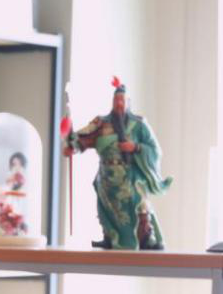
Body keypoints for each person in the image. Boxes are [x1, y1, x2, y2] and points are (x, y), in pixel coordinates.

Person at [64, 79, 172, 249]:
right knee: (105, 208)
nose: (119, 104)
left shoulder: (138, 124)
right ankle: (110, 237)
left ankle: (146, 238)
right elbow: (84, 138)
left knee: (140, 205)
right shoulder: (101, 122)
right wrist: (73, 147)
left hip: (131, 175)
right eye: (116, 100)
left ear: (128, 102)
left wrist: (135, 147)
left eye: (122, 100)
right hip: (106, 175)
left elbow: (155, 149)